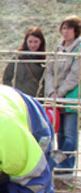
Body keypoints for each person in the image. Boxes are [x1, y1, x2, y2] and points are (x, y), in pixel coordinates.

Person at [44, 16, 81, 172]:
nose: (65, 32)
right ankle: (58, 165)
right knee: (58, 134)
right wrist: (52, 91)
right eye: (64, 28)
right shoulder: (58, 48)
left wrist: (59, 92)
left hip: (69, 97)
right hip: (55, 96)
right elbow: (49, 71)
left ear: (76, 30)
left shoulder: (78, 50)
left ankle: (67, 168)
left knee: (70, 135)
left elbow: (75, 75)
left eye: (69, 28)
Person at [2, 27, 46, 97]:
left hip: (32, 98)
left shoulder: (43, 61)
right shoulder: (18, 57)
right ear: (26, 42)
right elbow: (6, 78)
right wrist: (11, 93)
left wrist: (40, 97)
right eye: (30, 41)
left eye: (36, 42)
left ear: (41, 42)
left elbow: (45, 83)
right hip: (17, 96)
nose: (33, 45)